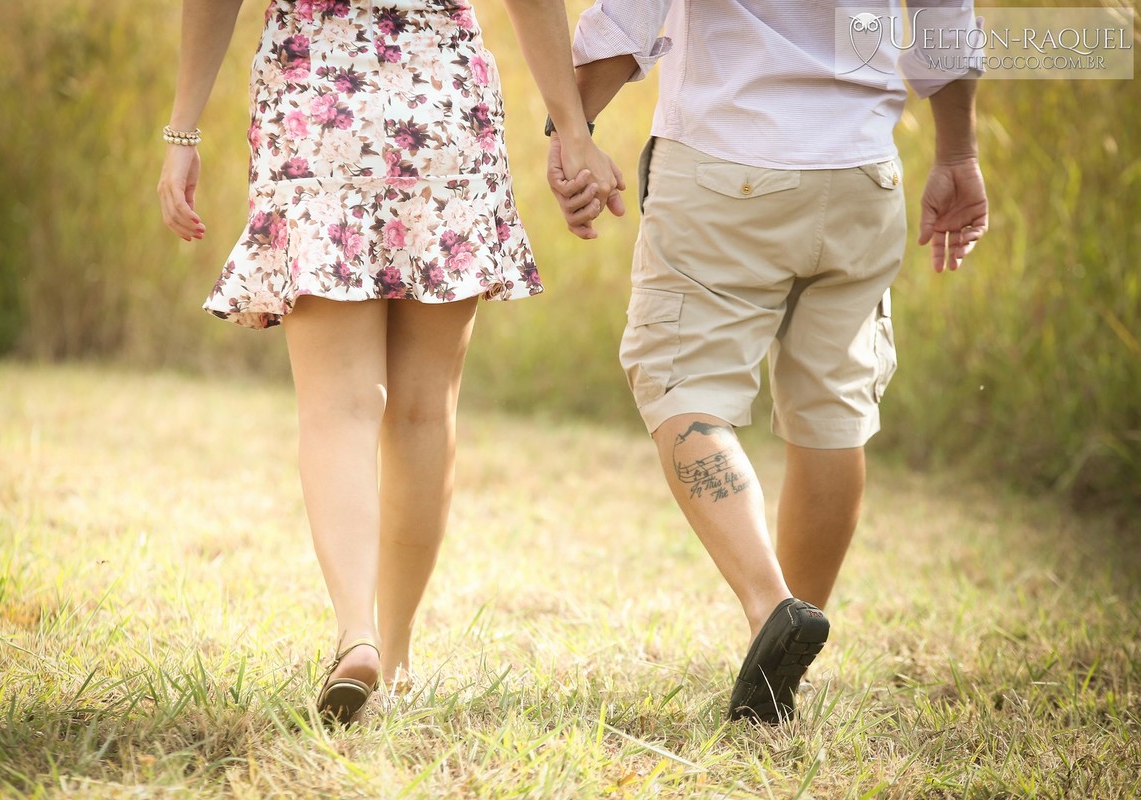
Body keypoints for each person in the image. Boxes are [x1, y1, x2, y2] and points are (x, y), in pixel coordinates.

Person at [158, 0, 621, 725]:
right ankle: (398, 658)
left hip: (315, 95)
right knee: (422, 408)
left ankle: (356, 634)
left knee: (338, 403)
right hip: (442, 94)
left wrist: (184, 129)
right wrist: (571, 126)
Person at [547, 2, 989, 723]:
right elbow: (945, 16)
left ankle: (770, 608)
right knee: (832, 412)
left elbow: (630, 17)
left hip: (726, 162)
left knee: (677, 381)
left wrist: (572, 128)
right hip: (861, 177)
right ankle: (779, 663)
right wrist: (957, 154)